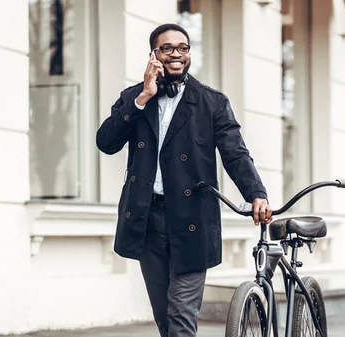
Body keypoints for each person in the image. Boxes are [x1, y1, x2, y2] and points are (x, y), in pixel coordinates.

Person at [95, 23, 273, 337]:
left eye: (183, 47)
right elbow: (106, 142)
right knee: (165, 318)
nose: (176, 54)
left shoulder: (211, 102)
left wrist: (256, 193)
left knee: (181, 316)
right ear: (153, 55)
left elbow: (235, 153)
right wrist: (143, 98)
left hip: (192, 219)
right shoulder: (133, 97)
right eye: (167, 48)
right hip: (147, 219)